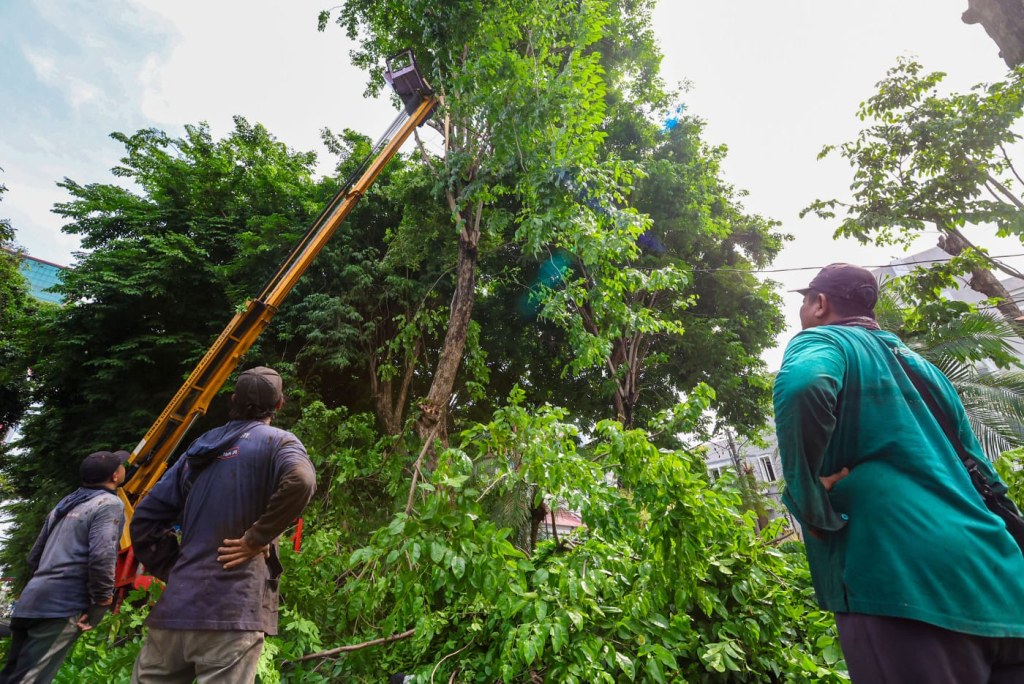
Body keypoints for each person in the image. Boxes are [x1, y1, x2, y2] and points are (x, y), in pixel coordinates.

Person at [774, 263, 1024, 683]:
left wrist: (808, 500)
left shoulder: (823, 341)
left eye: (804, 300)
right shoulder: (923, 369)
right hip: (998, 582)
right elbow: (981, 472)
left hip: (903, 584)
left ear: (819, 304)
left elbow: (804, 384)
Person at [129, 366, 316, 684]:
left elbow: (144, 519)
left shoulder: (200, 447)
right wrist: (256, 538)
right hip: (231, 612)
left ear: (233, 400)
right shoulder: (279, 443)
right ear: (280, 405)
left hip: (176, 611)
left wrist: (176, 570)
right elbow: (301, 479)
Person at [0, 451, 127, 684]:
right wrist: (101, 602)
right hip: (61, 607)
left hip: (31, 600)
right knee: (30, 679)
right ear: (115, 476)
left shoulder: (65, 503)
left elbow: (34, 557)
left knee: (12, 676)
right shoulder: (109, 503)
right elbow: (102, 556)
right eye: (121, 466)